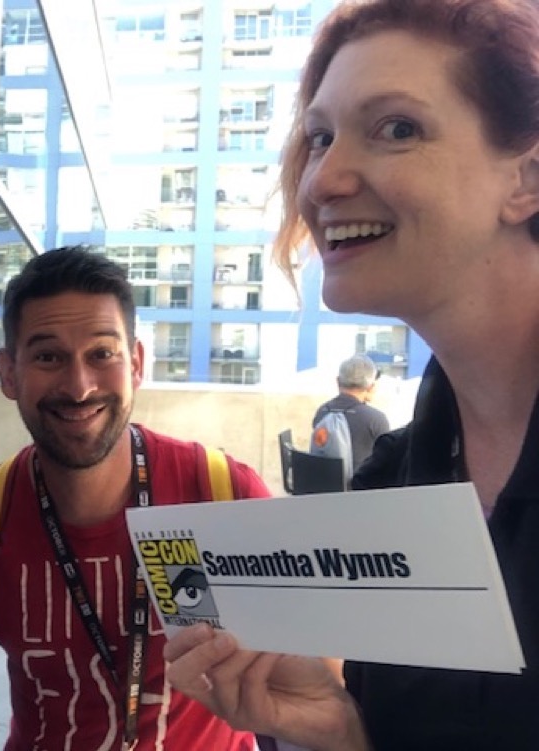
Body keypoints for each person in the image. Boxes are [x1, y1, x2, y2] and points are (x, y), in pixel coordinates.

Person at [163, 0, 539, 748]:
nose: (324, 180)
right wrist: (339, 730)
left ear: (526, 178)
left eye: (398, 128)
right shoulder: (392, 483)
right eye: (320, 138)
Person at [0, 247, 270, 750]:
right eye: (48, 356)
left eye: (101, 354)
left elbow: (314, 673)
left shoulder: (221, 494)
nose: (79, 387)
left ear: (135, 363)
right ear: (8, 373)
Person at [311, 353, 389, 474]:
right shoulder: (376, 419)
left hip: (322, 488)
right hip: (360, 490)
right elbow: (387, 464)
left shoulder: (322, 412)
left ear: (338, 382)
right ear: (370, 387)